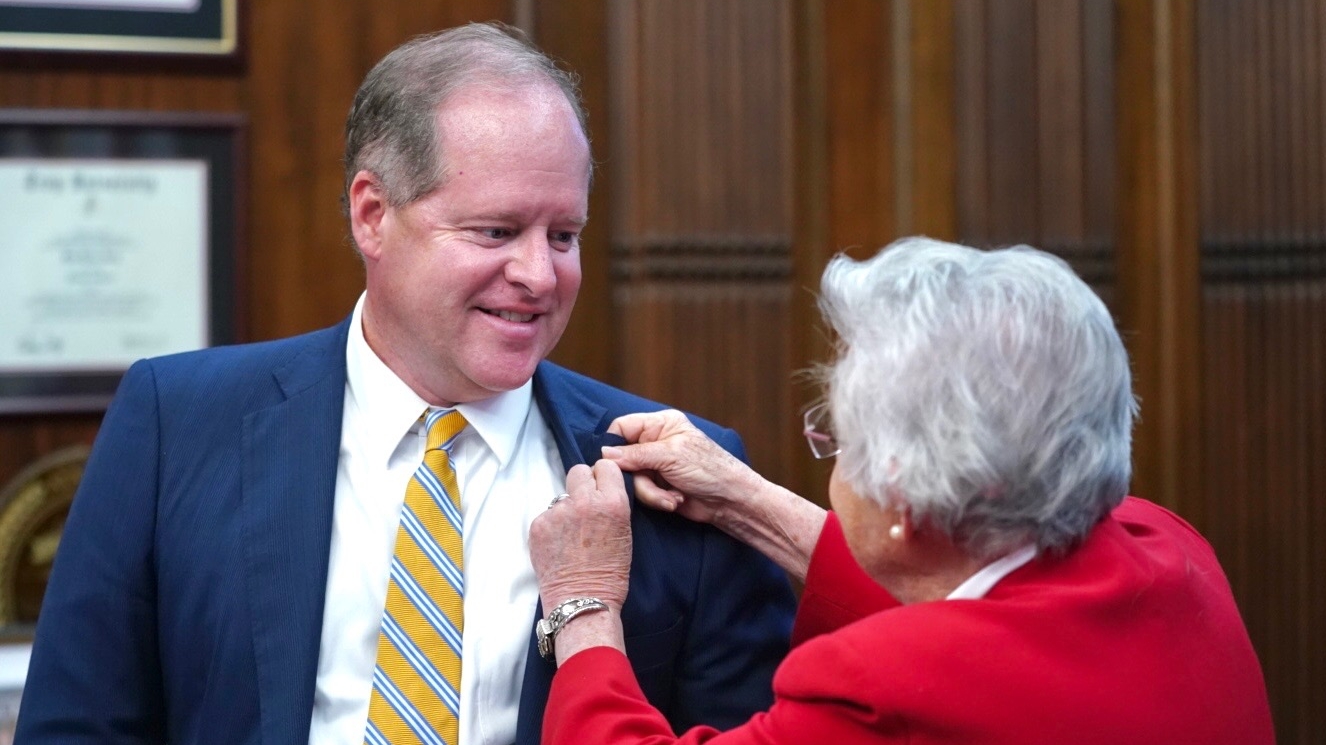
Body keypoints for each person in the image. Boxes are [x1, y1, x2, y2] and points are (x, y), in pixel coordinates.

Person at [15, 22, 795, 745]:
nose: (537, 273)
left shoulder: (672, 476)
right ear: (372, 215)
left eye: (564, 235)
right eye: (495, 230)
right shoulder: (176, 424)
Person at [529, 237, 1276, 745]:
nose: (831, 454)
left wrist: (584, 604)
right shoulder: (1173, 550)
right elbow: (982, 610)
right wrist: (742, 500)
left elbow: (949, 661)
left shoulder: (881, 689)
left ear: (905, 503)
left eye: (838, 439)